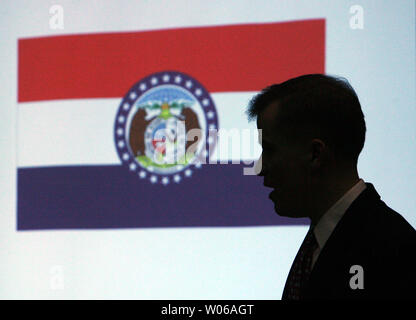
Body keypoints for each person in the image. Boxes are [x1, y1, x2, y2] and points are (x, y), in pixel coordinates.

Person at [246, 74, 416, 300]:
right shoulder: (322, 243)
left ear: (316, 154)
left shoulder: (393, 250)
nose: (260, 168)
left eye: (269, 149)